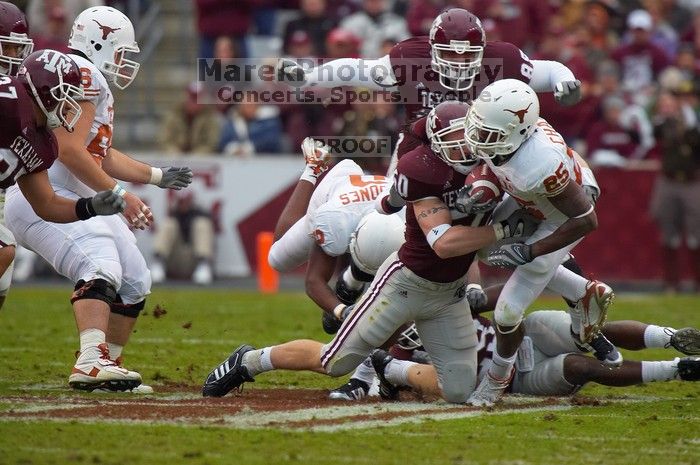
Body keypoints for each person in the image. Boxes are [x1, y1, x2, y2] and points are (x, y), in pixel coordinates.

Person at [201, 100, 538, 403]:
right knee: (334, 362)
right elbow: (445, 243)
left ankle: (390, 371)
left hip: (448, 294)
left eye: (467, 137)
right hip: (406, 284)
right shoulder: (423, 171)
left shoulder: (490, 161)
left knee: (459, 390)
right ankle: (249, 361)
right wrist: (502, 230)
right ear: (437, 146)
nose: (465, 148)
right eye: (454, 142)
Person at [4, 7, 193, 393]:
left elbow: (98, 152)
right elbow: (73, 152)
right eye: (121, 52)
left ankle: (108, 362)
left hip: (61, 194)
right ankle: (91, 360)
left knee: (136, 279)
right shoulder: (81, 75)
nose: (125, 63)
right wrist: (120, 195)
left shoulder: (84, 76)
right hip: (48, 195)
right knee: (101, 260)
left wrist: (154, 176)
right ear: (100, 44)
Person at [277, 8, 583, 174]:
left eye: (468, 55)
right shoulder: (412, 58)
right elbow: (359, 69)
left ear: (482, 50)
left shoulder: (501, 59)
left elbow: (549, 71)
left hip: (485, 155)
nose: (460, 62)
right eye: (451, 54)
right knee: (391, 218)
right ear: (433, 49)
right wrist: (308, 76)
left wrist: (564, 82)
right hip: (421, 148)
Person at [462, 79, 617, 407]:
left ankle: (495, 381)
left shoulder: (538, 162)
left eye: (487, 134)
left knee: (506, 314)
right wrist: (482, 187)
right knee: (484, 245)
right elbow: (496, 166)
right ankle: (581, 292)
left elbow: (586, 220)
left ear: (515, 132)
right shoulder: (510, 137)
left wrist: (531, 250)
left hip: (561, 215)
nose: (477, 139)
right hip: (535, 201)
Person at [0, 49, 126, 311]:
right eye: (65, 94)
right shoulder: (6, 98)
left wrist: (89, 207)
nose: (70, 105)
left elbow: (46, 204)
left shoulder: (41, 142)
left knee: (4, 250)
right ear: (45, 91)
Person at [370, 310, 700, 401]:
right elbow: (415, 387)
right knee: (579, 365)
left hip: (526, 335)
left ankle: (669, 337)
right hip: (517, 378)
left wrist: (477, 296)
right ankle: (677, 369)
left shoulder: (438, 296)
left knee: (588, 329)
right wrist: (393, 373)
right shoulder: (402, 355)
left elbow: (501, 298)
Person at [267, 137, 394, 333]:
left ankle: (353, 278)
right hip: (337, 192)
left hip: (371, 199)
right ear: (353, 241)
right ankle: (312, 168)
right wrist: (342, 312)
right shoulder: (336, 219)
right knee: (277, 259)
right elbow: (313, 281)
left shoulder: (405, 218)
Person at [650, 90, 700, 293]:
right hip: (669, 180)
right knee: (669, 232)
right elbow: (656, 135)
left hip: (691, 181)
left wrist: (689, 124)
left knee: (696, 233)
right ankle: (671, 282)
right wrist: (665, 117)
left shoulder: (691, 123)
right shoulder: (664, 124)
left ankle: (697, 281)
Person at [150, 191, 215, 285]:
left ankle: (203, 265)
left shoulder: (201, 215)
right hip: (174, 260)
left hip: (194, 260)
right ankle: (158, 262)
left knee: (202, 223)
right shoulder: (173, 215)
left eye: (186, 202)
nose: (184, 205)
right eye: (181, 202)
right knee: (169, 224)